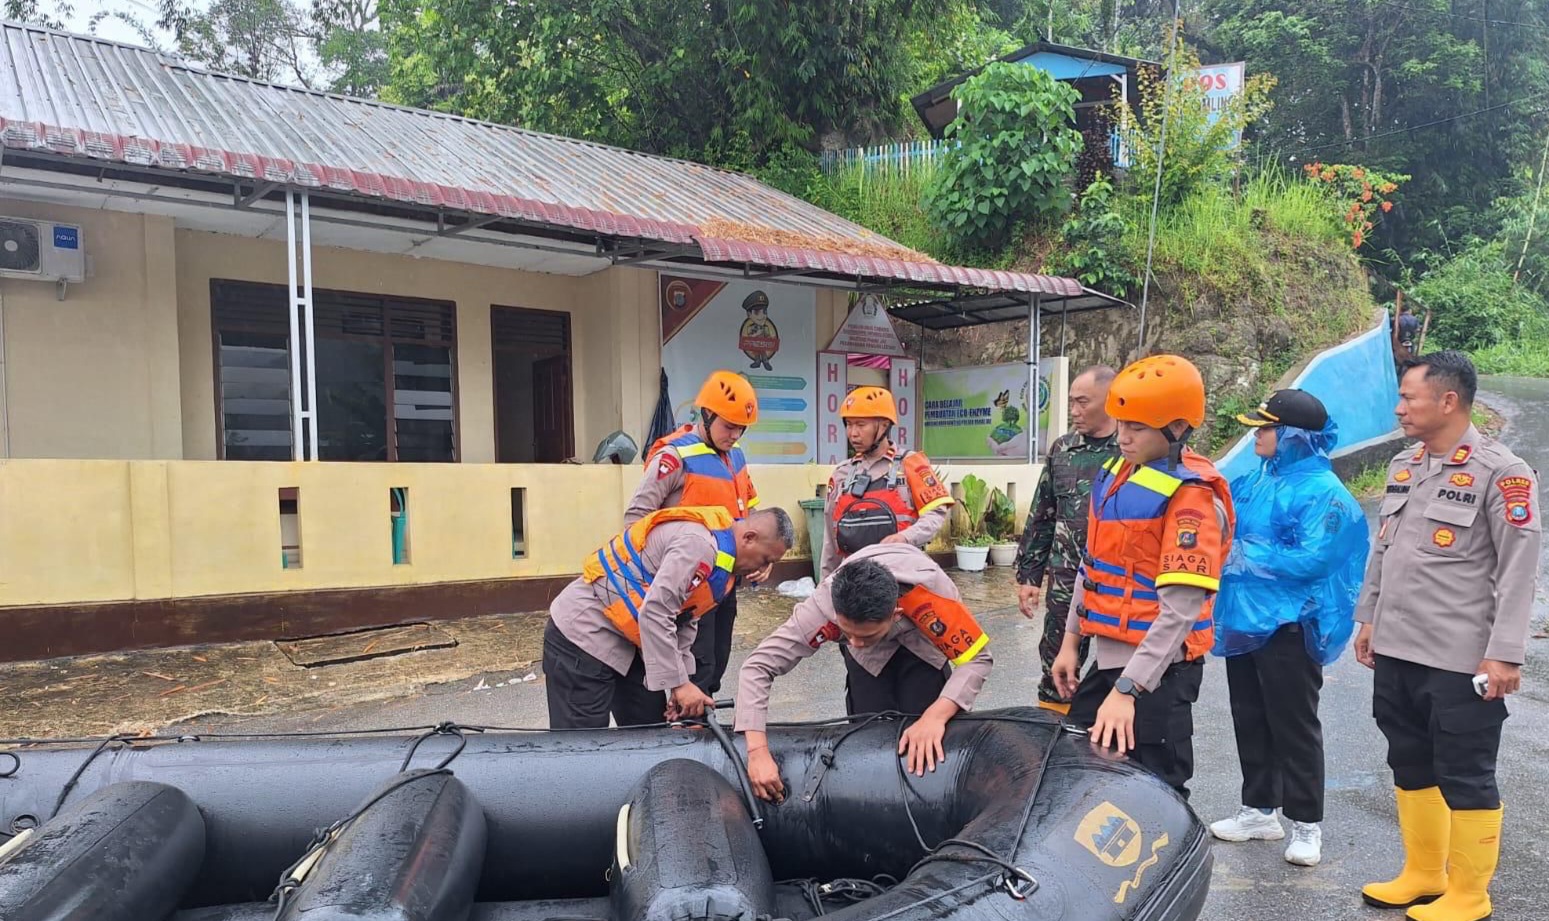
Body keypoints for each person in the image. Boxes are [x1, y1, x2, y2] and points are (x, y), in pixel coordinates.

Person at [1355, 351, 1538, 921]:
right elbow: (1383, 551)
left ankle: (1469, 891)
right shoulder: (1406, 465)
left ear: (1448, 400)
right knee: (1408, 760)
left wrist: (1505, 654)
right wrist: (1369, 620)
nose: (1400, 407)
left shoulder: (1502, 473)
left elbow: (1518, 571)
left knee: (1465, 771)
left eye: (1409, 397)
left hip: (1462, 658)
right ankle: (1424, 873)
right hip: (1398, 649)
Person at [1051, 354, 1235, 798]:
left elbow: (1179, 614)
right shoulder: (1117, 476)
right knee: (1083, 775)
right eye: (1121, 423)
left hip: (1159, 673)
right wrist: (1070, 643)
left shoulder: (1192, 500)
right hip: (1111, 661)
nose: (1123, 436)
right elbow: (1091, 565)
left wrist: (1128, 692)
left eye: (1137, 427)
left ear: (1175, 429)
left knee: (1155, 792)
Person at [1206, 389, 1368, 868]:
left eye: (1266, 428)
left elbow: (1318, 557)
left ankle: (1306, 823)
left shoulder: (1324, 492)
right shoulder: (1256, 480)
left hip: (1291, 625)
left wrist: (1244, 556)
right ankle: (1257, 810)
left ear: (1294, 436)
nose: (1257, 435)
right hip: (1244, 622)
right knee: (1249, 716)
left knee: (1294, 725)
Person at [736, 544, 994, 802]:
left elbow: (978, 659)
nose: (855, 642)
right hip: (867, 663)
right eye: (848, 634)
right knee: (867, 740)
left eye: (865, 635)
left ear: (895, 615)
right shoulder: (823, 605)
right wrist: (757, 751)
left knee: (932, 742)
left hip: (924, 646)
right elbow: (758, 665)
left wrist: (935, 717)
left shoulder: (935, 593)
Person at [543, 506, 794, 729]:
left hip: (631, 643)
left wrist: (682, 682)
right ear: (749, 538)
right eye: (765, 560)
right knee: (579, 750)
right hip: (582, 636)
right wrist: (679, 686)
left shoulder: (723, 565)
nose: (761, 570)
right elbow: (655, 613)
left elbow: (685, 620)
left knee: (650, 734)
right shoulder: (698, 546)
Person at [627, 370, 767, 699]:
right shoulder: (674, 457)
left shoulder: (736, 458)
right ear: (706, 414)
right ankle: (687, 730)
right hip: (688, 585)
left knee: (716, 665)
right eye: (728, 425)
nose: (735, 435)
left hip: (725, 585)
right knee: (695, 668)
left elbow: (749, 514)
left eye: (741, 428)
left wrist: (763, 559)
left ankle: (700, 717)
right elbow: (636, 519)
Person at [1014, 365, 1119, 714]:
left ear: (1110, 400)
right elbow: (1041, 514)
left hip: (1118, 581)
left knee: (1116, 664)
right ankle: (1052, 736)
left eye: (1082, 402)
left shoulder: (1133, 449)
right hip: (1065, 579)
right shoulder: (1063, 448)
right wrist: (1029, 575)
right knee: (1057, 660)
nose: (1073, 411)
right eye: (1071, 402)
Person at [820, 386, 953, 580]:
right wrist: (824, 586)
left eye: (860, 425)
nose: (853, 433)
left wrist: (906, 537)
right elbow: (830, 541)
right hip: (853, 581)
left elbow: (935, 514)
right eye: (848, 424)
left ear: (883, 425)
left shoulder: (911, 464)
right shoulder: (842, 473)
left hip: (902, 576)